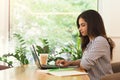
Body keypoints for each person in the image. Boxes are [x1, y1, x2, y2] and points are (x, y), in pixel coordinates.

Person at [55, 10, 115, 80]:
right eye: (79, 25)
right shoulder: (91, 43)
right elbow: (85, 61)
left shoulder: (100, 41)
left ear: (93, 24)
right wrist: (69, 63)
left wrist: (78, 62)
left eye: (83, 25)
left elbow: (84, 65)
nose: (79, 29)